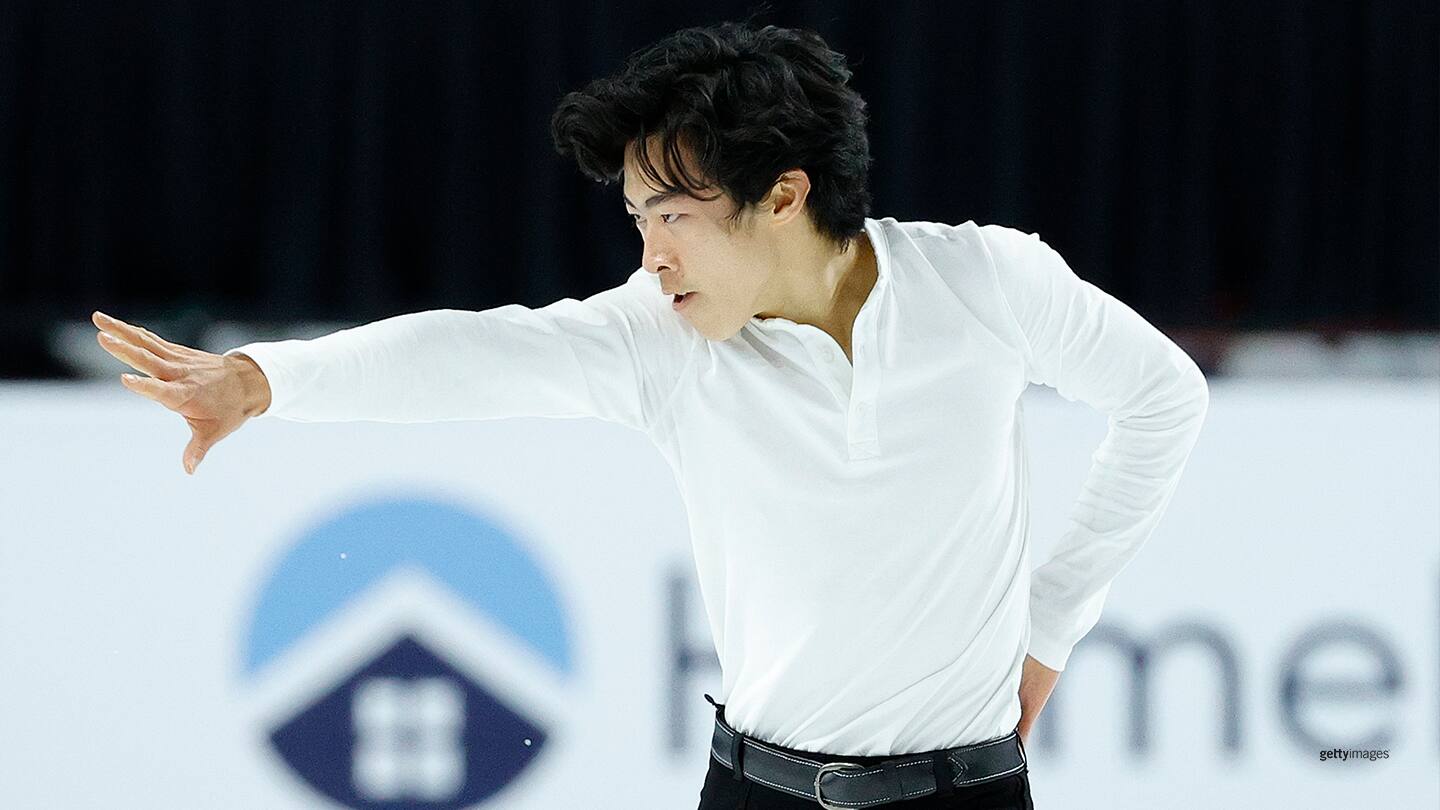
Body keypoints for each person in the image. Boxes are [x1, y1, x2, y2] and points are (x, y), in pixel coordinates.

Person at [92, 20, 1208, 810]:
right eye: (637, 217)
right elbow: (479, 352)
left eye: (673, 214)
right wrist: (268, 379)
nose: (651, 254)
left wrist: (1049, 627)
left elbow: (1163, 398)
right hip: (757, 794)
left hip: (966, 793)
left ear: (783, 195)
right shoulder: (664, 340)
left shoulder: (987, 287)